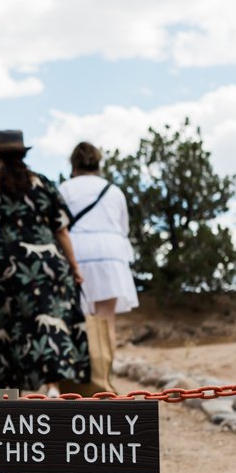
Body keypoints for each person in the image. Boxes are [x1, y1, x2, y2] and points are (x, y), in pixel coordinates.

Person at [0, 130, 90, 397]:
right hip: (49, 265)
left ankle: (10, 395)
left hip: (7, 267)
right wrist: (74, 268)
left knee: (9, 326)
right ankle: (53, 388)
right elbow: (61, 229)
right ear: (23, 155)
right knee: (52, 321)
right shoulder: (43, 183)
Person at [58, 140, 138, 394]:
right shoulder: (114, 192)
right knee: (106, 321)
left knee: (73, 321)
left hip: (77, 252)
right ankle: (103, 380)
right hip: (110, 256)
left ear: (74, 164)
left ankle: (75, 382)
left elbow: (59, 225)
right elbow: (123, 228)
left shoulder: (65, 189)